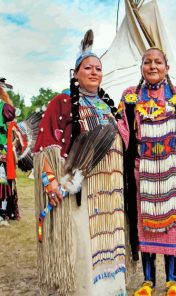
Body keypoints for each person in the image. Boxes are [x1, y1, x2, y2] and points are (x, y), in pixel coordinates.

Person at [33, 30, 126, 296]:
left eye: (98, 68)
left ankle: (112, 290)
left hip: (112, 190)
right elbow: (46, 146)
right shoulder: (61, 101)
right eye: (88, 68)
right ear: (76, 73)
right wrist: (50, 182)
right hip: (83, 191)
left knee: (111, 238)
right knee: (86, 243)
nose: (94, 72)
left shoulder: (109, 107)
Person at [116, 47, 176, 296]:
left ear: (167, 67)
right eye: (148, 62)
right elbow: (121, 132)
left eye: (158, 62)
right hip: (142, 173)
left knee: (172, 227)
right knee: (144, 224)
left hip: (171, 174)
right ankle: (147, 281)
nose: (153, 66)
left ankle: (172, 281)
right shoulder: (129, 96)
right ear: (141, 68)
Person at [0, 83, 18, 222]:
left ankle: (4, 211)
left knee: (3, 181)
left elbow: (12, 130)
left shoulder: (5, 108)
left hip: (2, 151)